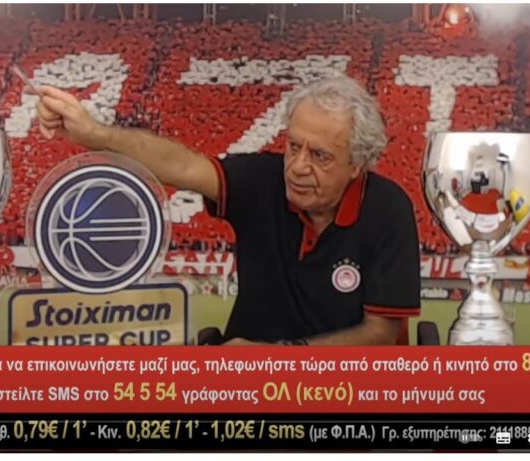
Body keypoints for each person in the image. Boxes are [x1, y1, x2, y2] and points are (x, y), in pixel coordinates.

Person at [33, 75, 421, 345]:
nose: (298, 167)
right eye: (293, 146)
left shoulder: (388, 210)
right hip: (241, 382)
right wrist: (95, 134)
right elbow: (183, 166)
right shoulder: (262, 179)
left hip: (345, 390)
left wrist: (281, 359)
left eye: (319, 156)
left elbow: (380, 334)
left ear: (357, 164)